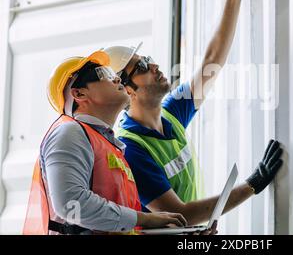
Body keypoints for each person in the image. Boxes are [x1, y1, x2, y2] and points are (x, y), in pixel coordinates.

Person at [104, 0, 283, 227]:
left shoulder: (172, 113)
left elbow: (212, 62)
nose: (153, 65)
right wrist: (253, 184)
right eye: (140, 67)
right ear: (126, 89)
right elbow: (181, 213)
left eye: (147, 58)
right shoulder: (131, 149)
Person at [23, 50, 190, 235]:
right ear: (79, 93)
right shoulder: (69, 132)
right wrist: (144, 218)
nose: (117, 79)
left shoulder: (108, 145)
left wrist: (180, 236)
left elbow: (113, 226)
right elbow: (71, 205)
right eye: (104, 74)